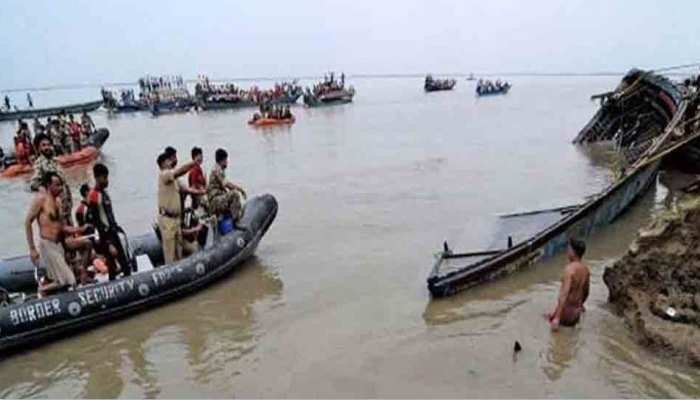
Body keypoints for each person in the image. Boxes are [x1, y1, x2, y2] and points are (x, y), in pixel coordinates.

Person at [25, 172, 93, 294]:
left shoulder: (58, 202)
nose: (61, 188)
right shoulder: (40, 199)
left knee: (87, 243)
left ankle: (82, 272)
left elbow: (63, 227)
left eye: (61, 185)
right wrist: (32, 249)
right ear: (48, 185)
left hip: (59, 244)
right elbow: (28, 222)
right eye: (57, 185)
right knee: (70, 280)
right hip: (48, 244)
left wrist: (80, 229)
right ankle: (42, 289)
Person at [87, 163, 132, 280]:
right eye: (105, 178)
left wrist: (116, 227)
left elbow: (109, 215)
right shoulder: (93, 196)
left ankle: (127, 280)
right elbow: (96, 221)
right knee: (112, 264)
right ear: (97, 178)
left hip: (113, 232)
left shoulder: (105, 193)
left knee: (124, 262)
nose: (107, 181)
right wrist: (108, 243)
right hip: (106, 236)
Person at [157, 152, 198, 264]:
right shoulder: (164, 175)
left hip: (176, 220)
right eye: (168, 161)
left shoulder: (174, 180)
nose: (170, 162)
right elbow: (179, 171)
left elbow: (187, 189)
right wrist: (193, 163)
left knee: (178, 251)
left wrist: (201, 191)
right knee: (170, 254)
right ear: (162, 164)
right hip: (168, 220)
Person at [547, 238, 590, 330]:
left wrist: (557, 317)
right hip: (576, 314)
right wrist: (581, 305)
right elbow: (586, 292)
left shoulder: (569, 270)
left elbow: (563, 295)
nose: (567, 250)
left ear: (573, 252)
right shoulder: (585, 270)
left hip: (565, 314)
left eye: (569, 248)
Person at [30, 134, 73, 225]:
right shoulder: (39, 164)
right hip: (55, 207)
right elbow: (34, 183)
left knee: (70, 226)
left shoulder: (55, 162)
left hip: (66, 205)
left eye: (49, 145)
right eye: (44, 145)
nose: (47, 147)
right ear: (38, 149)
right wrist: (45, 193)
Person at [207, 148, 247, 225]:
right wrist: (240, 189)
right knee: (234, 194)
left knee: (230, 196)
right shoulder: (217, 169)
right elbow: (226, 184)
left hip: (216, 199)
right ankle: (236, 222)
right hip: (215, 201)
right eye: (226, 160)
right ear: (222, 160)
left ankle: (233, 217)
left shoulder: (218, 169)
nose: (227, 162)